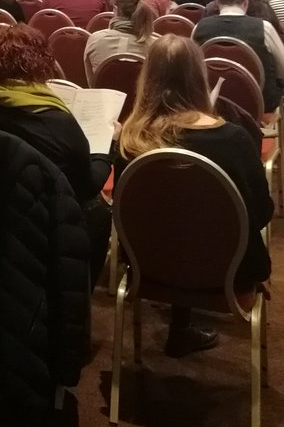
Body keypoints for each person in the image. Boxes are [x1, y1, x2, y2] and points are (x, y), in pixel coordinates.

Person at [117, 36, 273, 356]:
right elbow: (260, 213)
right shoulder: (233, 139)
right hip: (228, 273)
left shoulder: (129, 142)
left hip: (149, 267)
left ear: (148, 79)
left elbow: (128, 215)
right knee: (196, 226)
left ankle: (181, 326)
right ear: (199, 78)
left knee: (176, 224)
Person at [0, 24, 111, 286]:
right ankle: (78, 293)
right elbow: (87, 186)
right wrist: (104, 153)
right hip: (43, 228)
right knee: (98, 212)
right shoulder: (61, 124)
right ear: (44, 66)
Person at [192, 0, 284, 113]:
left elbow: (191, 66)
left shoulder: (199, 27)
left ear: (216, 0)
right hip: (260, 103)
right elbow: (282, 69)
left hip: (212, 102)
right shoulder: (265, 28)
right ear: (246, 0)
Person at [84, 0, 158, 82]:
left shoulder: (95, 40)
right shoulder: (157, 47)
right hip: (142, 92)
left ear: (115, 10)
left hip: (103, 92)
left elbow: (91, 82)